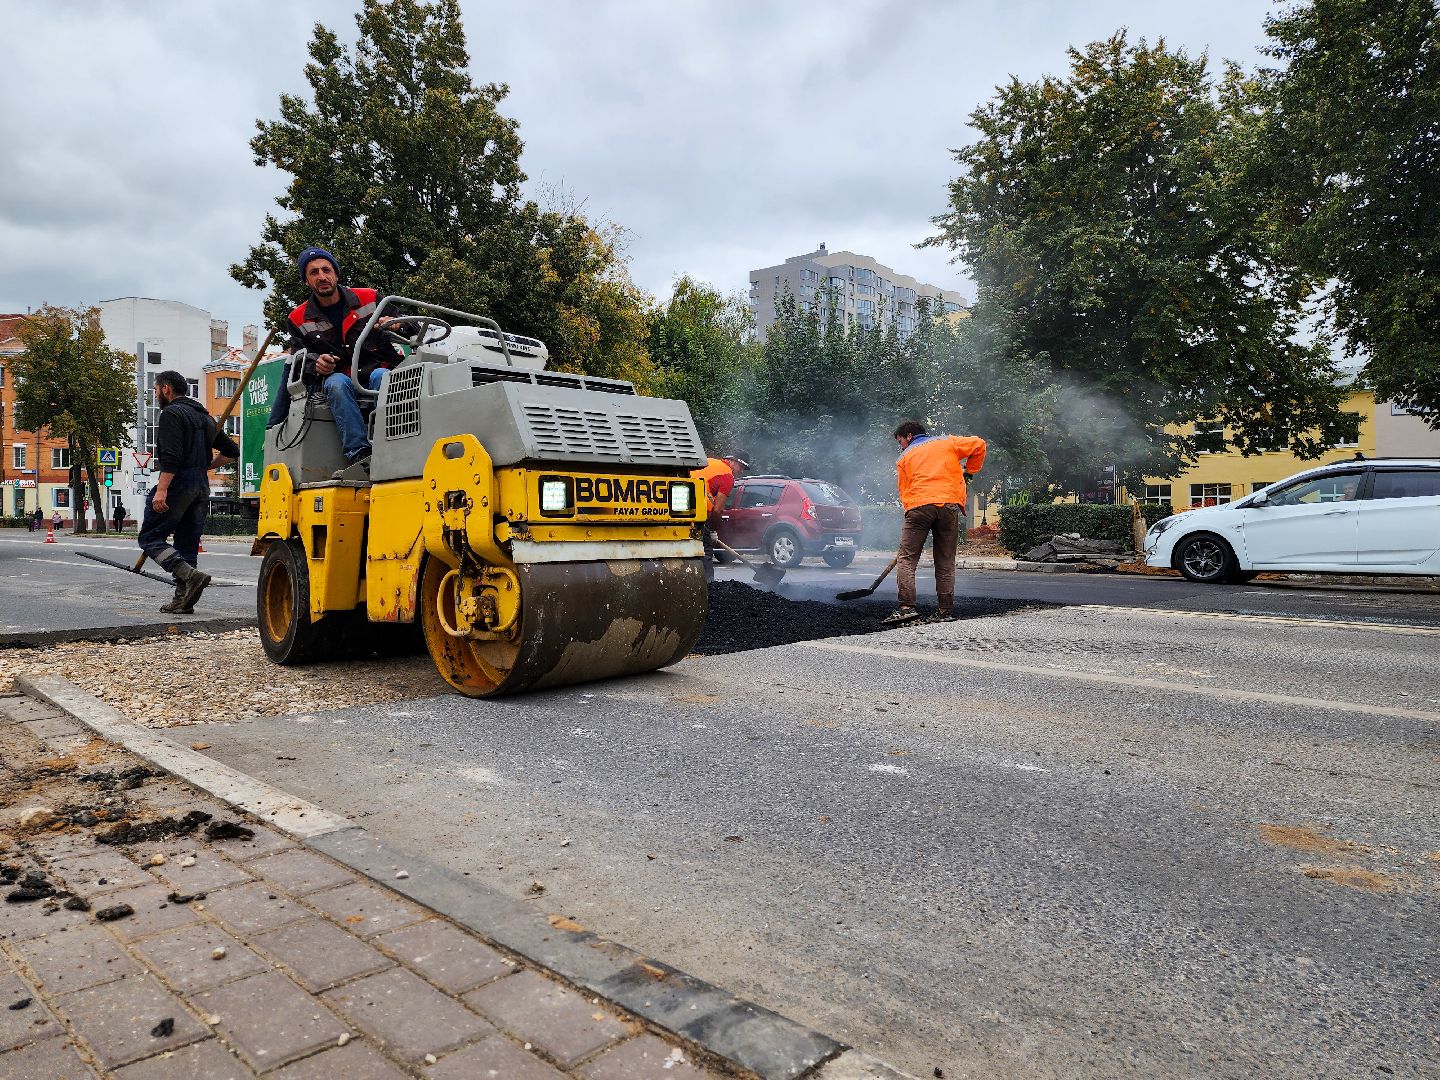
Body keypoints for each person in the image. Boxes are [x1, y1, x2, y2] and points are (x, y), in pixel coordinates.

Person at [267, 247, 402, 478]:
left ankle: (393, 442)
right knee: (335, 384)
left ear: (336, 274)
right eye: (313, 272)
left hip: (377, 369)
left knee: (383, 377)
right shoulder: (298, 318)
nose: (321, 276)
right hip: (341, 376)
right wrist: (317, 365)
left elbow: (410, 327)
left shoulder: (370, 298)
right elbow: (300, 362)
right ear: (307, 281)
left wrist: (397, 324)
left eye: (326, 270)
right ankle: (360, 454)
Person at [138, 370, 240, 614]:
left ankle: (189, 576)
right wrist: (206, 466)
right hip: (200, 487)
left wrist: (161, 490)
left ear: (166, 389)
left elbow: (171, 458)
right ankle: (182, 601)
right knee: (187, 543)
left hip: (179, 483)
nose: (155, 394)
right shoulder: (204, 418)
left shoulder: (172, 413)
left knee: (149, 537)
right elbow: (231, 451)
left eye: (155, 390)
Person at [887, 420, 987, 625]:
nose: (901, 447)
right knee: (945, 561)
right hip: (949, 506)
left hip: (919, 506)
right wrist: (969, 471)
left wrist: (912, 514)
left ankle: (906, 608)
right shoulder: (947, 442)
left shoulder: (904, 457)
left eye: (900, 441)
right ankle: (945, 612)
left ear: (909, 435)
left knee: (906, 559)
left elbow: (904, 491)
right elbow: (979, 444)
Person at [691, 452, 749, 576]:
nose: (741, 471)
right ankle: (709, 586)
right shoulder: (727, 476)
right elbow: (717, 510)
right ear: (732, 461)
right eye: (741, 466)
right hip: (700, 512)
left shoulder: (709, 461)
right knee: (705, 551)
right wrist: (712, 530)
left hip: (680, 507)